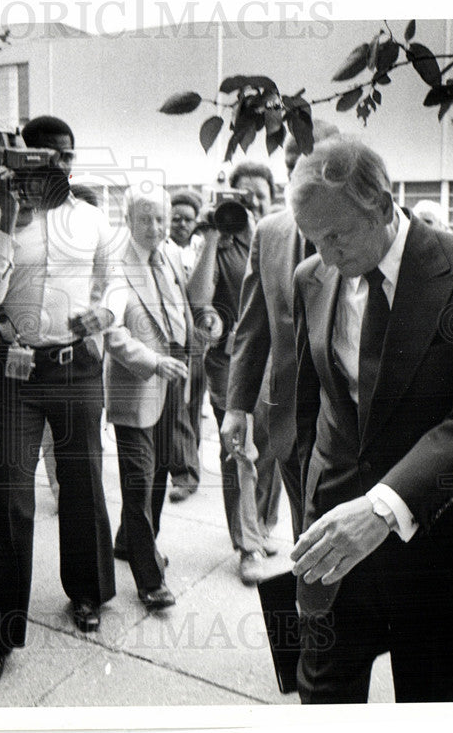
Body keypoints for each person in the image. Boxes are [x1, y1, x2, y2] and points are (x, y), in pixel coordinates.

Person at [288, 137, 453, 702]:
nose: (324, 254)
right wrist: (309, 507)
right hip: (334, 551)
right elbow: (310, 408)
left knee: (429, 703)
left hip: (438, 550)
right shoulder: (311, 279)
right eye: (312, 237)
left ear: (379, 202)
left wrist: (382, 507)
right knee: (321, 698)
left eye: (336, 235)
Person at [0, 115, 116, 693]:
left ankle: (86, 591)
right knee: (10, 492)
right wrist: (9, 222)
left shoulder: (92, 219)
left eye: (65, 156)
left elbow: (112, 288)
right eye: (45, 155)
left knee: (82, 481)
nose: (57, 165)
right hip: (16, 369)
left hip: (76, 365)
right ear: (24, 156)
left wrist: (103, 313)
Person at [220, 121, 341, 544]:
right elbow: (253, 328)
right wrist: (237, 407)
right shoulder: (269, 233)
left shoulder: (362, 232)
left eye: (311, 169)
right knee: (303, 534)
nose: (297, 180)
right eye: (291, 168)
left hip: (350, 424)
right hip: (288, 421)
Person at [105, 184, 198, 610]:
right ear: (128, 220)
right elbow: (112, 333)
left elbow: (181, 308)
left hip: (173, 383)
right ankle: (150, 579)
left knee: (157, 475)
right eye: (146, 219)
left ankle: (133, 544)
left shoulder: (173, 256)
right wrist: (152, 362)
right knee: (139, 483)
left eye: (161, 218)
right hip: (137, 386)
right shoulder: (113, 265)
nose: (156, 227)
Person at [187, 161, 280, 586]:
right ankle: (248, 545)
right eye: (244, 195)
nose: (252, 201)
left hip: (277, 360)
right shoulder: (217, 244)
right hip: (230, 362)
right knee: (239, 450)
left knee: (273, 447)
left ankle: (260, 525)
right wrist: (209, 237)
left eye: (259, 194)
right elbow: (198, 298)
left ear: (272, 196)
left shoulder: (279, 237)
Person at [165, 189, 206, 502]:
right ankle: (185, 475)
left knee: (193, 406)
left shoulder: (204, 246)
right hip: (175, 340)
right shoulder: (162, 250)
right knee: (178, 406)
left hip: (204, 339)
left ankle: (191, 464)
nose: (181, 224)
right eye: (175, 218)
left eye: (187, 219)